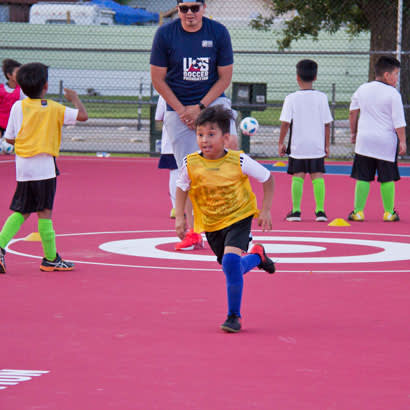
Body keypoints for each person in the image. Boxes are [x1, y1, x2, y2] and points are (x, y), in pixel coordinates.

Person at [175, 105, 275, 333]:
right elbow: (182, 187)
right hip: (211, 222)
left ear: (225, 138)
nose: (204, 140)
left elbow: (268, 179)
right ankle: (257, 257)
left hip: (239, 216)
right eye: (200, 134)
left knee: (230, 263)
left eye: (211, 134)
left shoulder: (239, 161)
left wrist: (266, 210)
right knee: (231, 267)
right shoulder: (191, 163)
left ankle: (233, 316)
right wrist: (179, 217)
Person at [150, 0, 238, 250]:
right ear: (177, 10)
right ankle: (192, 231)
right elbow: (157, 78)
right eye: (183, 8)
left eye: (194, 8)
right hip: (177, 111)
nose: (189, 13)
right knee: (186, 172)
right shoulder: (165, 34)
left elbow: (225, 78)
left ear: (204, 7)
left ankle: (230, 226)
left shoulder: (218, 32)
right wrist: (181, 110)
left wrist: (199, 108)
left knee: (222, 168)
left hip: (211, 105)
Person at [0, 62, 88, 274]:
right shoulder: (54, 108)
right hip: (44, 167)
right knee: (44, 211)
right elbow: (83, 116)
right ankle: (50, 258)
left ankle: (3, 246)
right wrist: (75, 98)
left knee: (22, 209)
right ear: (46, 86)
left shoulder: (18, 107)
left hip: (23, 166)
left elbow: (9, 138)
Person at [348, 56, 407, 222]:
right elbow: (399, 122)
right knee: (387, 177)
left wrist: (354, 132)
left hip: (365, 141)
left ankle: (358, 211)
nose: (397, 78)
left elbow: (353, 112)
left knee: (363, 176)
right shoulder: (393, 94)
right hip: (386, 142)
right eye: (396, 74)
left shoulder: (362, 89)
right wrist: (402, 141)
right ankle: (389, 212)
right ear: (387, 75)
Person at [278, 59, 333, 222]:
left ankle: (296, 211)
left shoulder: (291, 98)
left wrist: (281, 143)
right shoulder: (322, 97)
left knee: (298, 176)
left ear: (297, 77)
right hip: (316, 146)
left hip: (298, 146)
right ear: (315, 77)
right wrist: (327, 145)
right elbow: (327, 124)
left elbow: (285, 123)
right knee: (318, 176)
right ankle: (321, 211)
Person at [156, 95, 179, 219]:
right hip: (191, 139)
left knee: (175, 172)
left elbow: (159, 117)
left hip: (172, 138)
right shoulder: (198, 87)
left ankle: (176, 207)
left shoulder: (164, 91)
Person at [0, 59, 25, 138]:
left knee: (10, 148)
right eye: (18, 73)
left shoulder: (22, 90)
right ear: (9, 75)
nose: (21, 75)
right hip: (1, 125)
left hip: (14, 126)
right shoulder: (1, 90)